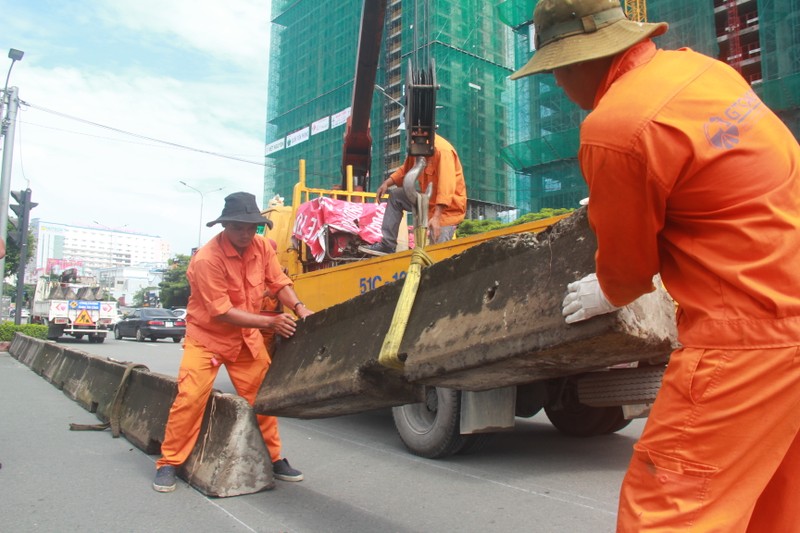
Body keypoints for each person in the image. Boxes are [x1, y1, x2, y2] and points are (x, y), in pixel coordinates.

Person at [512, 1, 800, 531]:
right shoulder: (705, 71)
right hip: (786, 311)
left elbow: (627, 272)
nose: (555, 84)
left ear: (578, 61)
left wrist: (607, 287)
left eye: (554, 69)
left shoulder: (615, 128)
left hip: (745, 337)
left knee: (666, 511)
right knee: (772, 509)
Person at [152, 192, 314, 493]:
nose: (246, 233)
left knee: (264, 399)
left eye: (252, 227)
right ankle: (169, 463)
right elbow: (222, 311)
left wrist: (300, 308)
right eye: (239, 227)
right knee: (189, 399)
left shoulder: (263, 247)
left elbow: (279, 283)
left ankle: (275, 459)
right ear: (225, 225)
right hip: (207, 339)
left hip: (245, 339)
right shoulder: (206, 260)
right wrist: (271, 322)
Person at [358, 134, 467, 256]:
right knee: (396, 196)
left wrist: (436, 217)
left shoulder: (443, 151)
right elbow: (406, 170)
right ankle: (387, 245)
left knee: (437, 253)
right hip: (427, 201)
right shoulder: (417, 148)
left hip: (446, 211)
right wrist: (387, 184)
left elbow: (446, 187)